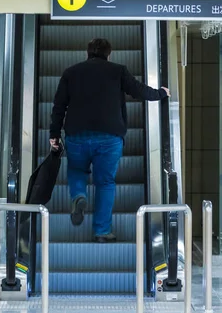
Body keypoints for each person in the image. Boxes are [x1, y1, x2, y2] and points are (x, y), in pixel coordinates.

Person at [49, 38, 170, 243]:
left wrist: (54, 134)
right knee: (105, 182)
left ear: (87, 53)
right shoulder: (118, 70)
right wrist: (160, 93)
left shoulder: (71, 72)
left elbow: (59, 106)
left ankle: (79, 195)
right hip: (109, 137)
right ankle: (102, 231)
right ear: (109, 54)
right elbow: (138, 90)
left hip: (76, 135)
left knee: (77, 170)